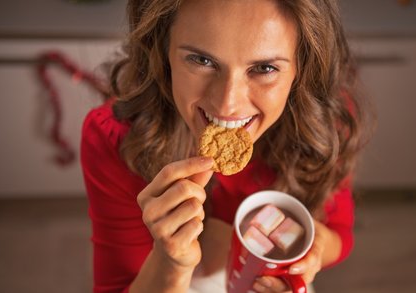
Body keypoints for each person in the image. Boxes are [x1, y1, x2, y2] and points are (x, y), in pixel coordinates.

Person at [81, 0, 372, 292]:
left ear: (302, 67)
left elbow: (339, 232)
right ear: (162, 50)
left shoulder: (323, 125)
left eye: (264, 68)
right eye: (201, 60)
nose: (227, 104)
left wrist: (311, 249)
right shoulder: (117, 139)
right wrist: (171, 260)